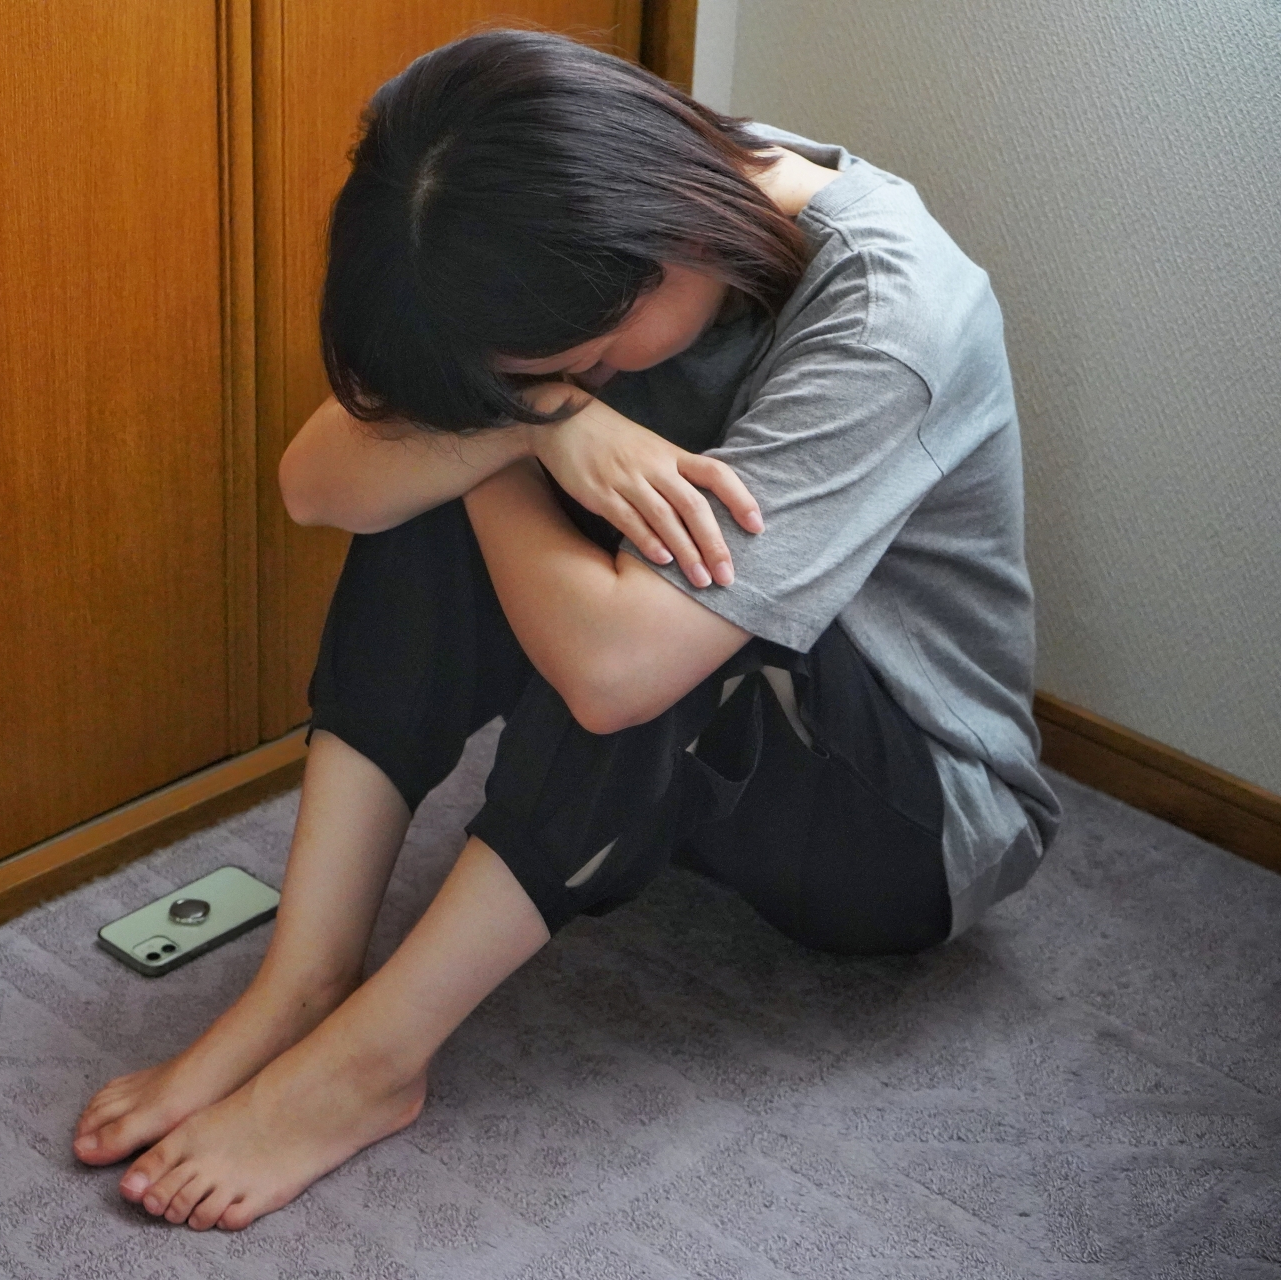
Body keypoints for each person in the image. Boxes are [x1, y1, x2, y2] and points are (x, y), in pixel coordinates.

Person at [72, 28, 1061, 1232]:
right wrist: (533, 419)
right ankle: (303, 977)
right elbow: (314, 484)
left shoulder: (885, 321)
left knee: (644, 599)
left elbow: (614, 675)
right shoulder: (589, 189)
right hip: (714, 778)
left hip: (908, 827)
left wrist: (505, 436)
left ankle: (370, 1062)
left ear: (661, 266)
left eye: (577, 362)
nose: (568, 382)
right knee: (442, 465)